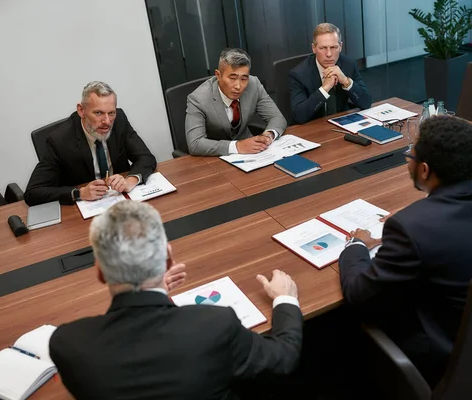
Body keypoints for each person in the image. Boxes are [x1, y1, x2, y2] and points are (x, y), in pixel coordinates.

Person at [338, 116, 472, 386]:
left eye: (409, 155)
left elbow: (358, 294)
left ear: (424, 170)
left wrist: (355, 245)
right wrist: (425, 209)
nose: (407, 161)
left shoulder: (409, 228)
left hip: (447, 353)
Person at [49, 201, 302, 399]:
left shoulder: (68, 344)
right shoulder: (215, 324)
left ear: (100, 273)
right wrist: (284, 299)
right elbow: (283, 357)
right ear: (169, 259)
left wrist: (150, 292)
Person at [24, 81, 156, 206]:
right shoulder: (59, 141)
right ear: (81, 110)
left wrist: (130, 181)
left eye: (111, 113)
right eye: (98, 113)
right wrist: (79, 193)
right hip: (84, 212)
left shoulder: (119, 120)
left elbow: (146, 157)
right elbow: (33, 192)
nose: (107, 121)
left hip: (122, 201)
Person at [185, 48, 287, 156]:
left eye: (244, 79)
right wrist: (237, 146)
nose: (238, 86)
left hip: (252, 154)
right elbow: (195, 144)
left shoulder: (254, 84)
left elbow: (277, 117)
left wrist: (269, 135)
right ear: (218, 75)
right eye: (232, 78)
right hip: (215, 157)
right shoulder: (198, 99)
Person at [289, 23, 372, 125]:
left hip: (343, 123)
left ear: (340, 46)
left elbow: (366, 102)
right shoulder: (299, 74)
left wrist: (346, 81)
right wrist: (325, 88)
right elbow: (299, 116)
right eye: (323, 48)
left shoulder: (349, 64)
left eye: (333, 47)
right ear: (313, 48)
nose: (329, 54)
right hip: (314, 128)